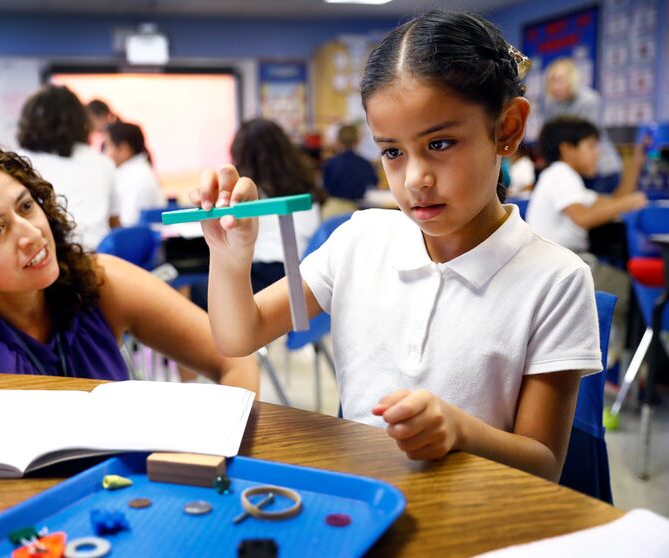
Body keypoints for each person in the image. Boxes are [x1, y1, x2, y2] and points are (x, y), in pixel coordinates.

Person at [192, 11, 602, 482]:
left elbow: (544, 466)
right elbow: (239, 336)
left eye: (441, 143)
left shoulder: (556, 278)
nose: (414, 180)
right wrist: (228, 255)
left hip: (479, 516)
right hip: (364, 500)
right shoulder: (359, 239)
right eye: (392, 152)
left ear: (507, 129)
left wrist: (460, 431)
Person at [0, 140, 258, 395]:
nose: (31, 233)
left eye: (26, 206)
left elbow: (234, 356)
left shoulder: (99, 280)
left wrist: (228, 453)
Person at [189, 118, 322, 310]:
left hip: (265, 276)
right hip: (301, 273)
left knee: (192, 288)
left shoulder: (247, 192)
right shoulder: (307, 185)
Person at [17, 85, 120, 252]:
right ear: (81, 121)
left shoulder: (19, 163)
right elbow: (114, 224)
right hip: (99, 258)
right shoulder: (102, 162)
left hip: (47, 256)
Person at [526, 116, 647, 254]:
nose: (598, 154)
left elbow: (615, 201)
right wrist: (625, 204)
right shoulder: (560, 173)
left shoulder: (568, 178)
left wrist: (636, 162)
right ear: (567, 149)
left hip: (564, 259)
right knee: (622, 276)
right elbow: (582, 218)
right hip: (555, 264)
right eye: (591, 146)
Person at [543, 58, 622, 194]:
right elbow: (551, 137)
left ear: (572, 80)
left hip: (601, 169)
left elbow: (585, 140)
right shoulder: (551, 104)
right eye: (552, 81)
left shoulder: (589, 100)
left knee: (595, 213)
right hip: (574, 170)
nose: (555, 86)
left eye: (560, 80)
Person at [104, 121, 165, 227]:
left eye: (108, 146)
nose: (104, 153)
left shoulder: (136, 178)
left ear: (123, 149)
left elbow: (128, 225)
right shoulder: (132, 173)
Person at [321, 123, 377, 218]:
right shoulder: (364, 163)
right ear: (358, 141)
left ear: (338, 141)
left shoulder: (331, 163)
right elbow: (374, 183)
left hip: (331, 210)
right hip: (356, 210)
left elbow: (325, 186)